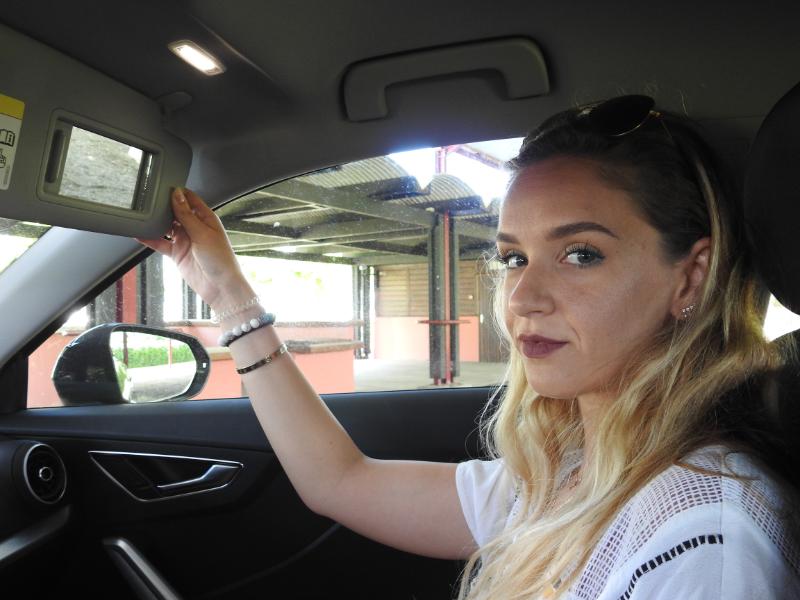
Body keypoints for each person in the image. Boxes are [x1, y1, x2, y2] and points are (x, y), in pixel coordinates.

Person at [139, 95, 800, 599]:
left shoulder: (705, 533)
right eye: (514, 258)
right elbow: (339, 481)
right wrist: (227, 295)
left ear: (691, 276)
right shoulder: (562, 476)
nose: (523, 297)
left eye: (580, 253)